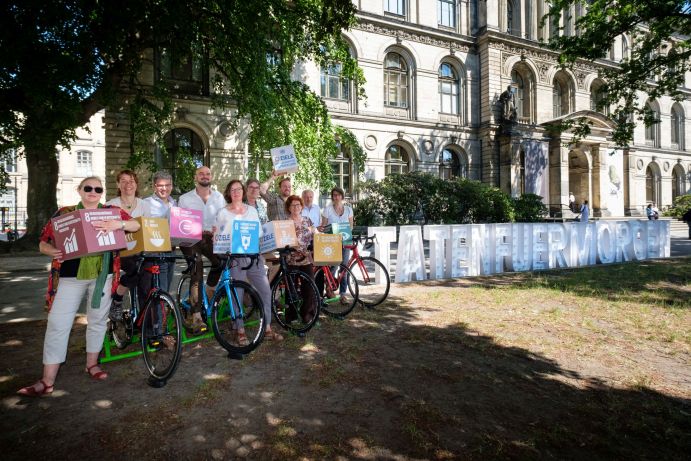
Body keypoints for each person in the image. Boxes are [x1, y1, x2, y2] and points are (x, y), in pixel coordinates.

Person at [17, 177, 140, 396]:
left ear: (102, 192)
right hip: (69, 277)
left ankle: (92, 364)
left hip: (103, 274)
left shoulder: (111, 211)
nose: (93, 191)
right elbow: (43, 241)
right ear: (80, 190)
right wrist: (50, 250)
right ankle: (47, 380)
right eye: (88, 188)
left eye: (98, 188)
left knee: (98, 320)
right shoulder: (65, 213)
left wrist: (118, 224)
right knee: (58, 323)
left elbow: (136, 225)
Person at [215, 180, 283, 343]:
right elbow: (218, 236)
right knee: (237, 293)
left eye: (239, 189)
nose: (236, 192)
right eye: (232, 190)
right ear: (228, 193)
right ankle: (240, 330)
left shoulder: (252, 211)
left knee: (265, 291)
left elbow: (259, 233)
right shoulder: (222, 213)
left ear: (243, 192)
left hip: (254, 255)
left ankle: (267, 328)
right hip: (235, 258)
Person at [178, 166, 226, 335]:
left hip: (209, 238)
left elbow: (223, 220)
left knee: (221, 262)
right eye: (201, 174)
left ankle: (206, 292)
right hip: (190, 238)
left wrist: (218, 231)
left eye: (207, 174)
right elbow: (180, 223)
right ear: (195, 177)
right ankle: (196, 315)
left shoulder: (219, 197)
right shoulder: (185, 198)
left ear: (211, 176)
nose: (205, 176)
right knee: (196, 268)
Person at [106, 170, 150, 321]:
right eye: (123, 181)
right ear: (118, 184)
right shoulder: (111, 205)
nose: (128, 184)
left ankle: (145, 320)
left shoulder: (145, 205)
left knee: (148, 274)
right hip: (119, 250)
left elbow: (149, 227)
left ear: (136, 184)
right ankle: (117, 299)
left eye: (131, 181)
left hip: (140, 249)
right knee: (135, 269)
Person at [142, 171, 177, 292]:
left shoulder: (175, 203)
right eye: (160, 185)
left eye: (167, 185)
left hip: (171, 250)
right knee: (159, 289)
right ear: (154, 186)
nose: (164, 188)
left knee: (166, 288)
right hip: (155, 252)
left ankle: (162, 309)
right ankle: (158, 311)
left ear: (171, 186)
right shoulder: (146, 203)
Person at [285, 194, 317, 324]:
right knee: (291, 288)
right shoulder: (285, 222)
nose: (296, 207)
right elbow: (284, 240)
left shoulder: (307, 220)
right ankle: (291, 316)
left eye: (298, 204)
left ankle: (307, 314)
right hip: (291, 259)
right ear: (288, 207)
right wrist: (296, 248)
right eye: (293, 205)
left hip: (306, 259)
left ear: (301, 206)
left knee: (309, 287)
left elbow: (315, 234)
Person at [320, 186, 354, 304]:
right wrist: (330, 230)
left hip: (345, 241)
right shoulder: (327, 209)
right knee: (333, 267)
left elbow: (351, 226)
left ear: (342, 196)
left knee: (344, 268)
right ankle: (329, 289)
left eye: (338, 195)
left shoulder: (349, 210)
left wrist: (342, 230)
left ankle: (343, 294)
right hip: (332, 242)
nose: (336, 197)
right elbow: (323, 227)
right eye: (334, 195)